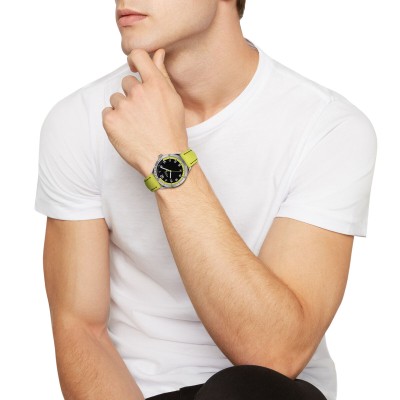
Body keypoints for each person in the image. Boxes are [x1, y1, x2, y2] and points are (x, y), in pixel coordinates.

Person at [34, 1, 377, 399]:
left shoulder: (327, 129)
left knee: (245, 389)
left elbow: (274, 355)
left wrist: (166, 158)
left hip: (268, 390)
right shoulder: (81, 119)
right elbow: (81, 329)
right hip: (142, 394)